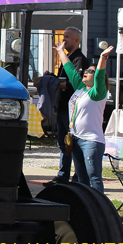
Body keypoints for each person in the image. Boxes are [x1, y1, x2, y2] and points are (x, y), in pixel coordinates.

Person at [55, 41, 111, 193]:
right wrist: (61, 51)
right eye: (86, 70)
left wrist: (102, 59)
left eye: (90, 71)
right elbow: (71, 70)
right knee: (82, 178)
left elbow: (99, 77)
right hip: (76, 138)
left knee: (94, 178)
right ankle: (88, 207)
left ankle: (101, 209)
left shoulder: (98, 93)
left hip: (91, 141)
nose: (86, 72)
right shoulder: (80, 89)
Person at [46, 26, 89, 187]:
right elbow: (62, 79)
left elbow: (75, 84)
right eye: (63, 36)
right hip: (62, 106)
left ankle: (77, 177)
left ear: (76, 40)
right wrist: (51, 78)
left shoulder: (79, 59)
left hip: (73, 110)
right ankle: (63, 176)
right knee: (63, 144)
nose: (63, 40)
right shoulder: (67, 58)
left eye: (67, 37)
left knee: (73, 143)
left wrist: (57, 84)